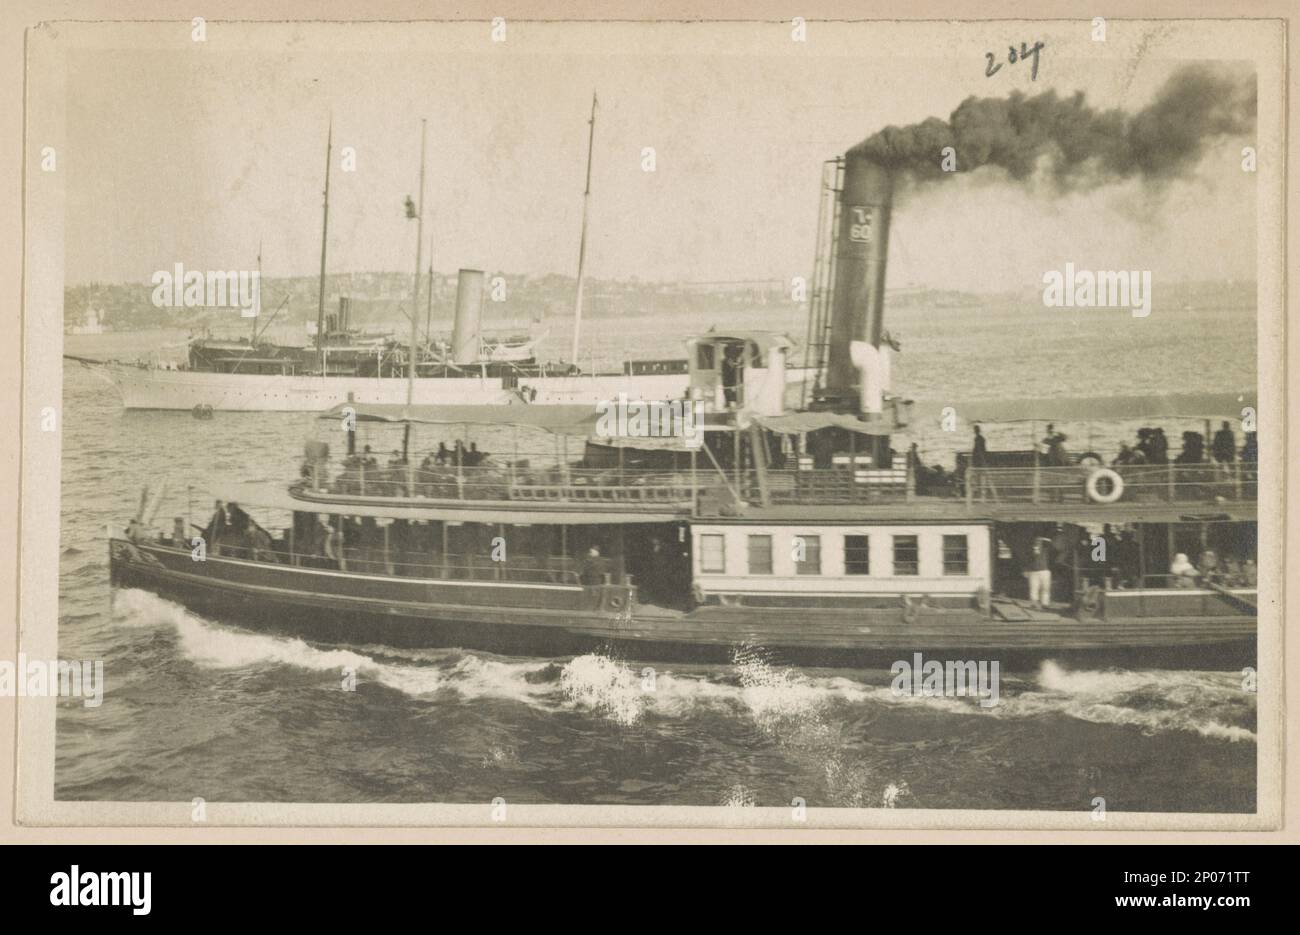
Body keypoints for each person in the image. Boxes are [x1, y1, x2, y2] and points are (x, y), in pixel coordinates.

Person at [1026, 536, 1053, 609]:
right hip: (1033, 571)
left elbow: (1050, 542)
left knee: (1045, 588)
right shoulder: (1030, 551)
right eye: (1035, 542)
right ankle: (1034, 603)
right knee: (1034, 588)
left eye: (1038, 542)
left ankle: (1045, 604)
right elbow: (1027, 561)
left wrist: (1042, 539)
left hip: (1044, 571)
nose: (1037, 544)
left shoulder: (1045, 549)